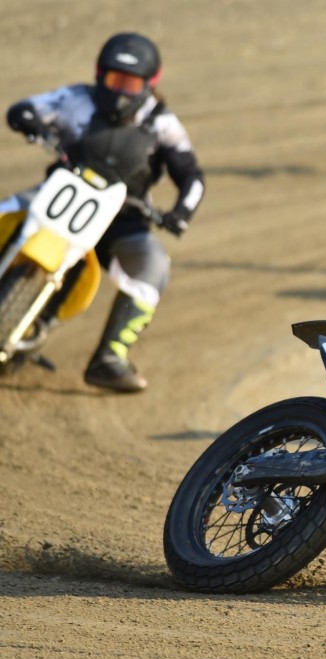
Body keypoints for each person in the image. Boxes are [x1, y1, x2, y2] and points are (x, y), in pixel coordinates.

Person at [3, 32, 205, 392]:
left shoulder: (162, 123)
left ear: (149, 84)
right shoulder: (76, 99)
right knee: (5, 211)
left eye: (131, 84)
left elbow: (191, 177)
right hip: (60, 194)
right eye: (115, 80)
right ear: (100, 75)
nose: (121, 92)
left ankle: (110, 357)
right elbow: (26, 108)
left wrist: (180, 214)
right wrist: (28, 119)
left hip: (123, 218)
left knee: (154, 265)